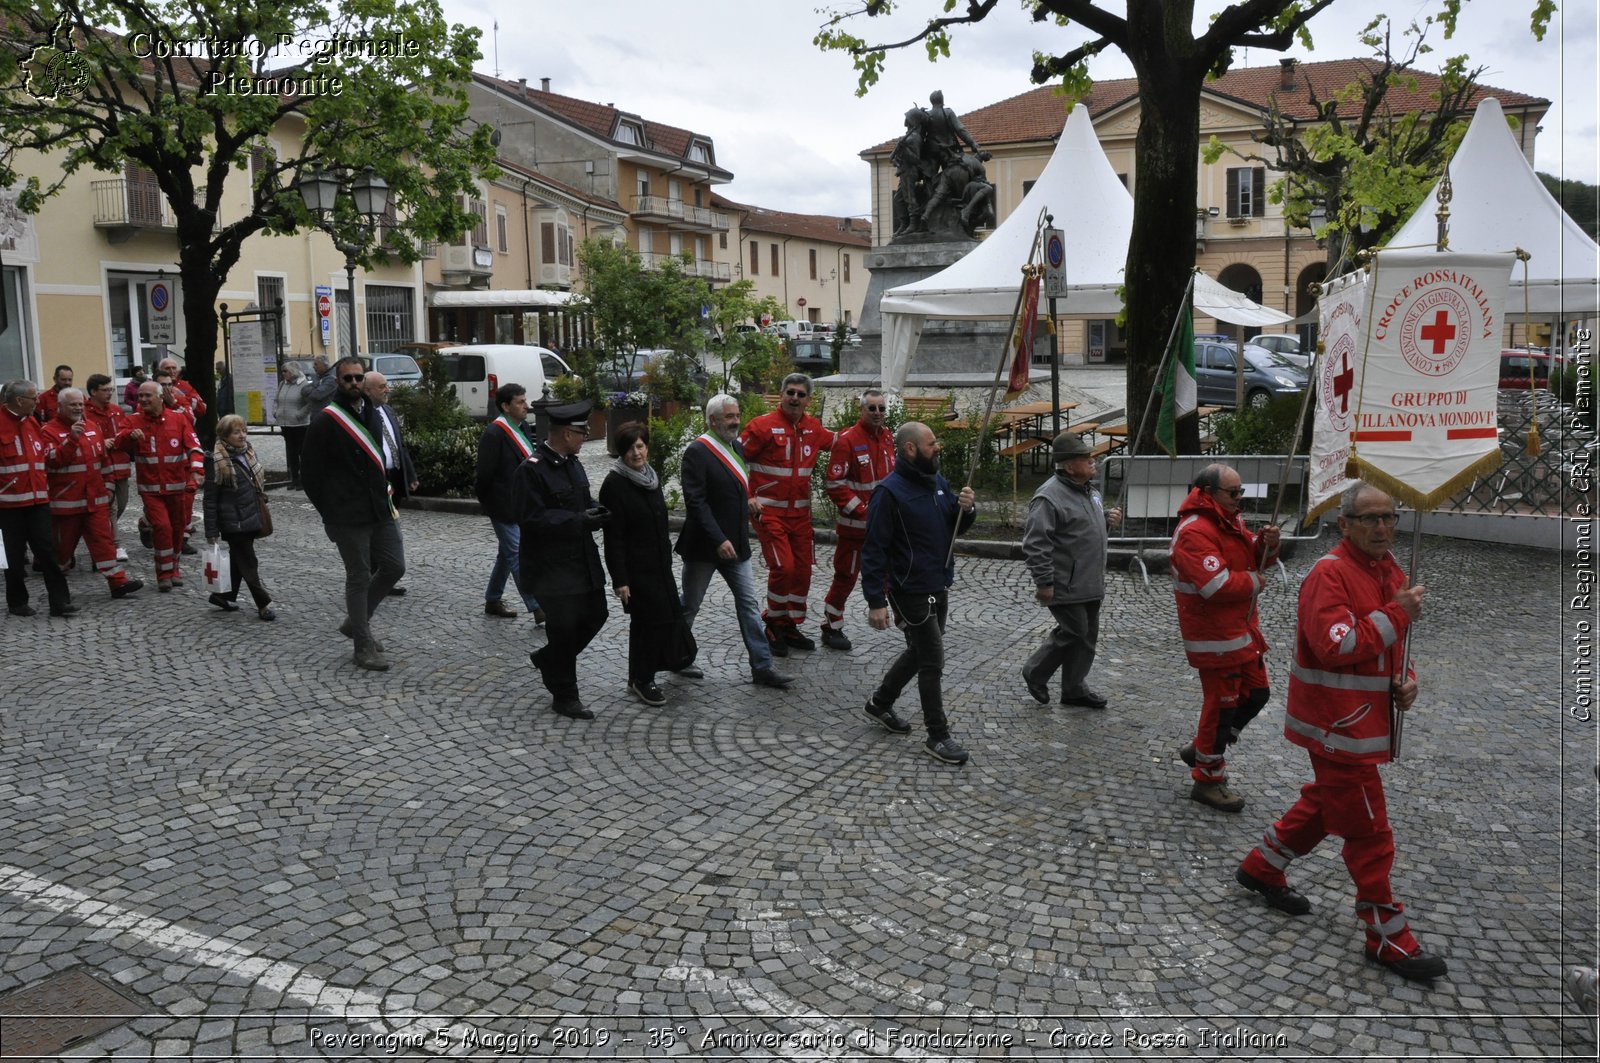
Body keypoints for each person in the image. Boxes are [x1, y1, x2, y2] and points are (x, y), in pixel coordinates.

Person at [1235, 481, 1447, 984]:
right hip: (1336, 725)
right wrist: (1398, 613)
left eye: (1389, 517)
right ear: (1344, 524)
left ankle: (1262, 866)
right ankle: (1387, 936)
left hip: (1361, 722)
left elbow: (1395, 643)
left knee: (1328, 805)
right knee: (1369, 830)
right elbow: (1340, 644)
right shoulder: (1328, 576)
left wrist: (1408, 678)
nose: (1382, 527)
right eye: (1370, 518)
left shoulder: (1390, 569)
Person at [859, 421, 977, 765]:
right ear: (910, 449)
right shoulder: (889, 492)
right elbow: (873, 550)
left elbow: (952, 527)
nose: (937, 447)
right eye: (931, 444)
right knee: (931, 659)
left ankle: (880, 703)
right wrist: (875, 602)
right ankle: (937, 735)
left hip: (938, 582)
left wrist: (966, 510)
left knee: (919, 651)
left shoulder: (937, 483)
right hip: (909, 589)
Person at [1170, 463, 1281, 813]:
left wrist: (1266, 545)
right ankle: (1208, 780)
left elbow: (1252, 558)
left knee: (1258, 694)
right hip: (1215, 638)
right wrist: (1256, 582)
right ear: (1207, 493)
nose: (1239, 499)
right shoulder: (1194, 532)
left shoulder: (1227, 520)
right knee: (1221, 708)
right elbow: (1216, 586)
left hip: (1241, 632)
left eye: (1240, 492)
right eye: (1233, 493)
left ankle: (1201, 747)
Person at [676, 393, 791, 689]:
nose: (736, 421)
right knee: (690, 605)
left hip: (736, 544)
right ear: (712, 420)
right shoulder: (697, 452)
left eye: (737, 415)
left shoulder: (736, 446)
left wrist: (749, 499)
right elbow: (696, 502)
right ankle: (676, 656)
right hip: (705, 547)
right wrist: (718, 539)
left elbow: (736, 485)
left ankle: (762, 667)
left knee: (749, 604)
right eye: (729, 416)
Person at [302, 356, 404, 671]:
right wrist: (330, 513)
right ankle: (363, 645)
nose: (354, 384)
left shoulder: (373, 413)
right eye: (347, 379)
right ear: (338, 382)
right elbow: (310, 476)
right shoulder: (325, 420)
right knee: (358, 577)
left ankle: (354, 623)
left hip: (379, 508)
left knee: (393, 567)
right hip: (347, 515)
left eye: (358, 378)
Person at [516, 401, 609, 719]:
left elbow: (580, 500)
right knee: (564, 626)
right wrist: (580, 520)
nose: (585, 438)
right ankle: (565, 695)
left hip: (581, 559)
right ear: (567, 434)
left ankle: (549, 659)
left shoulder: (572, 462)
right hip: (551, 567)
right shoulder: (532, 469)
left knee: (597, 613)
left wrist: (596, 509)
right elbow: (532, 519)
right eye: (582, 433)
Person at [1019, 432, 1121, 711]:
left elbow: (1082, 528)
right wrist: (1044, 582)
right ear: (1068, 466)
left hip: (1090, 581)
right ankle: (1036, 671)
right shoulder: (1048, 497)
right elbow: (1035, 543)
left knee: (1087, 636)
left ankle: (1074, 688)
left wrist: (1106, 519)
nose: (1093, 461)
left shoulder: (1090, 491)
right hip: (1066, 582)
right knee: (1075, 631)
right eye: (1085, 458)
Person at [739, 372, 835, 656]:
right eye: (790, 392)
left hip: (800, 518)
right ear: (781, 395)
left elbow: (843, 443)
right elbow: (733, 460)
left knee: (803, 571)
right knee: (784, 568)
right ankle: (771, 621)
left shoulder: (814, 428)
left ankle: (789, 623)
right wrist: (748, 498)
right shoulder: (761, 427)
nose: (795, 398)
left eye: (800, 394)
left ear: (808, 400)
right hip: (769, 514)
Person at [600, 423, 688, 707]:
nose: (636, 453)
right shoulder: (614, 485)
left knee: (650, 623)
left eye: (640, 446)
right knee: (653, 623)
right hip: (636, 571)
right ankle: (644, 679)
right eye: (629, 448)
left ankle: (637, 676)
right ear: (621, 452)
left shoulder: (650, 477)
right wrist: (620, 579)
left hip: (659, 566)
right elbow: (614, 538)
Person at [40, 388, 141, 599]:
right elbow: (52, 461)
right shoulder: (48, 431)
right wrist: (72, 439)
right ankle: (58, 590)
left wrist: (109, 485)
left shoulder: (93, 428)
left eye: (80, 404)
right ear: (60, 407)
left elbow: (103, 461)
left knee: (103, 542)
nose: (78, 408)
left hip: (94, 501)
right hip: (66, 505)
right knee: (62, 551)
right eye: (73, 404)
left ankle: (117, 583)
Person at [819, 388, 896, 651]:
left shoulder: (887, 437)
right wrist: (863, 511)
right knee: (846, 577)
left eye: (881, 408)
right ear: (861, 410)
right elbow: (834, 483)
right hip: (855, 529)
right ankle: (831, 626)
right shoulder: (847, 440)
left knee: (890, 574)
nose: (877, 413)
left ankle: (903, 619)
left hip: (885, 528)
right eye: (872, 408)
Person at [112, 379, 203, 591]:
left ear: (160, 398)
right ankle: (163, 574)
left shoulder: (178, 419)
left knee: (178, 528)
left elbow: (194, 447)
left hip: (177, 488)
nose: (142, 399)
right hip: (151, 490)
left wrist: (198, 472)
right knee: (162, 528)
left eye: (147, 396)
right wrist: (128, 437)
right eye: (140, 396)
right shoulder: (133, 421)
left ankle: (174, 569)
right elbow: (118, 442)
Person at [0, 380, 75, 617]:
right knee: (13, 558)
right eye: (34, 398)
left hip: (38, 501)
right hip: (8, 505)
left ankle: (60, 602)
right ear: (19, 400)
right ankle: (17, 601)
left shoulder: (32, 420)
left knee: (48, 553)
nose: (38, 401)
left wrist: (69, 442)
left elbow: (43, 454)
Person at [474, 382, 543, 622]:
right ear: (505, 406)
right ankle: (537, 606)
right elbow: (484, 475)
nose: (526, 406)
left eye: (525, 401)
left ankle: (493, 599)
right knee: (517, 554)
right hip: (502, 505)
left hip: (521, 504)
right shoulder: (494, 433)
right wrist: (490, 503)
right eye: (520, 402)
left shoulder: (522, 426)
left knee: (506, 554)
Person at [202, 414, 274, 620]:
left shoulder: (247, 453)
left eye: (244, 430)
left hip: (251, 517)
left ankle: (222, 596)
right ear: (225, 436)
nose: (242, 436)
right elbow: (210, 500)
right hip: (233, 523)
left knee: (239, 561)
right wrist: (211, 531)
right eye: (236, 432)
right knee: (249, 563)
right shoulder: (215, 461)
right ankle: (263, 603)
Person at [362, 370, 416, 596]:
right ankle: (374, 578)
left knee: (388, 528)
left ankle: (385, 575)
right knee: (376, 530)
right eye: (382, 386)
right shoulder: (362, 416)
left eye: (386, 385)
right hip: (375, 480)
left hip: (394, 476)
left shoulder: (388, 411)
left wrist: (410, 474)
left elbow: (399, 445)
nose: (387, 389)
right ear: (367, 391)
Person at [83, 373, 131, 561]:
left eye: (110, 389)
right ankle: (114, 545)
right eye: (105, 390)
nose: (109, 393)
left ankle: (99, 533)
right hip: (100, 468)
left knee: (123, 502)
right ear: (93, 392)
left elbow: (123, 432)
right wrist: (102, 443)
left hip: (120, 465)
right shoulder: (85, 412)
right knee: (110, 506)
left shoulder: (116, 410)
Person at [273, 363, 312, 490]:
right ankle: (294, 479)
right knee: (291, 453)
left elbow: (310, 403)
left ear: (292, 371)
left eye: (285, 371)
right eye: (282, 371)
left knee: (301, 452)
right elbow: (276, 400)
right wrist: (275, 412)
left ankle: (303, 479)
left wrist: (299, 414)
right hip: (286, 424)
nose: (283, 373)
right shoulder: (282, 384)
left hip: (300, 425)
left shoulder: (304, 385)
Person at [157, 357, 206, 421]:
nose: (171, 371)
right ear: (160, 370)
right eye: (167, 368)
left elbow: (202, 409)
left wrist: (182, 397)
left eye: (174, 368)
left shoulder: (185, 385)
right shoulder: (153, 386)